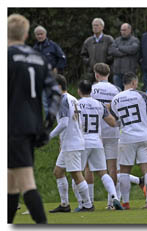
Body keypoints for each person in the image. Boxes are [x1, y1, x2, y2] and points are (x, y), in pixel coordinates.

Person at [8, 14, 61, 224]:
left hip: (12, 127)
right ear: (27, 34)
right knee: (11, 184)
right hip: (31, 126)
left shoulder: (6, 56)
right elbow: (55, 94)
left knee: (26, 182)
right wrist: (47, 124)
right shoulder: (38, 58)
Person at [111, 72, 147, 209]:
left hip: (126, 137)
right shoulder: (141, 94)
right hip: (144, 136)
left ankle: (126, 202)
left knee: (124, 170)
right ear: (134, 83)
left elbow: (116, 120)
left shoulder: (115, 99)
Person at [49, 74, 93, 213]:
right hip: (73, 141)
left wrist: (48, 136)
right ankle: (64, 204)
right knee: (58, 172)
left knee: (76, 174)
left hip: (72, 142)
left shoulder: (62, 99)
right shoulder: (73, 98)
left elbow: (63, 123)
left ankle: (88, 204)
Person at [76, 80, 123, 211]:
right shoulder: (99, 105)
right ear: (91, 91)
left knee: (77, 173)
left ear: (79, 91)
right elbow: (112, 122)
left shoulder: (76, 104)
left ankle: (85, 203)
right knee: (103, 173)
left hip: (82, 141)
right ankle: (114, 197)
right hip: (97, 141)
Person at [33, 25, 67, 117]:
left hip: (53, 77)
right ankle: (50, 120)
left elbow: (63, 58)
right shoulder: (35, 48)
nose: (40, 36)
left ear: (45, 34)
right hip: (41, 78)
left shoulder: (53, 46)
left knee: (57, 98)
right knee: (45, 100)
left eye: (41, 34)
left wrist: (57, 68)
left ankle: (62, 117)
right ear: (35, 36)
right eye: (37, 34)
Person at [81, 18, 114, 83]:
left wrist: (105, 63)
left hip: (105, 73)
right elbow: (83, 55)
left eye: (97, 25)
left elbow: (112, 54)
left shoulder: (109, 40)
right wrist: (89, 62)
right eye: (93, 25)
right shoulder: (88, 41)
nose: (95, 27)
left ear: (102, 27)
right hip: (91, 72)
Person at [108, 23, 140, 90]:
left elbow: (133, 50)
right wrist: (126, 52)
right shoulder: (117, 40)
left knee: (129, 93)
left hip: (129, 72)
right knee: (117, 92)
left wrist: (119, 48)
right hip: (117, 72)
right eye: (121, 30)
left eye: (125, 30)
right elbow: (111, 51)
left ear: (130, 30)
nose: (123, 32)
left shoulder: (135, 40)